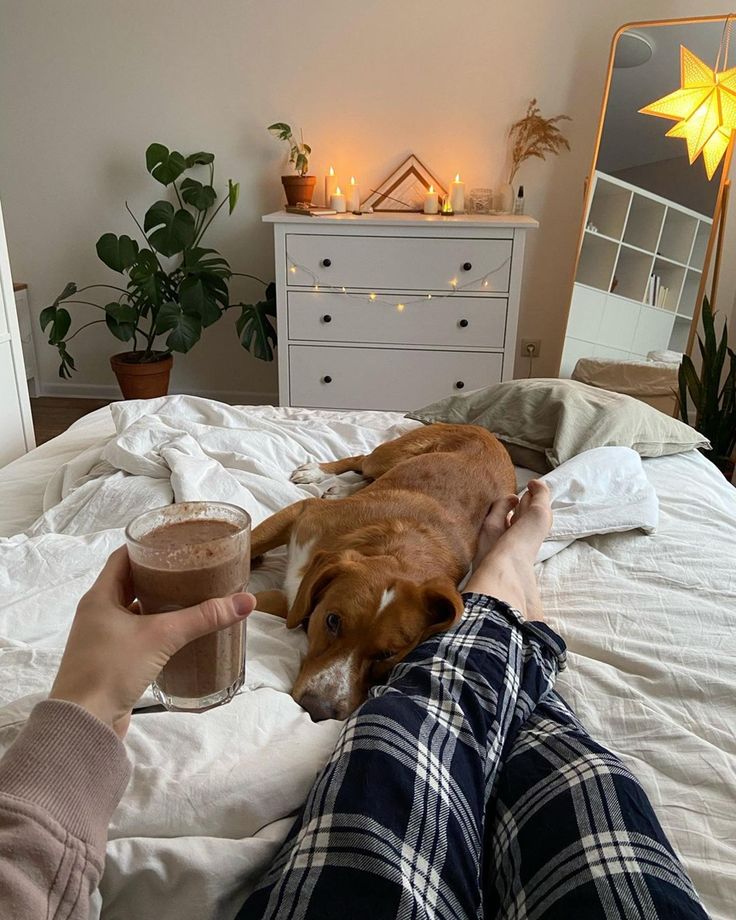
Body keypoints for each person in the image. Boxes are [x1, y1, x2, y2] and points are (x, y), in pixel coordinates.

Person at [0, 483, 709, 919]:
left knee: (407, 732)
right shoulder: (334, 567)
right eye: (331, 626)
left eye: (377, 655)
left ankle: (506, 600)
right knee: (510, 728)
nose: (332, 694)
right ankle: (514, 602)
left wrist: (84, 701)